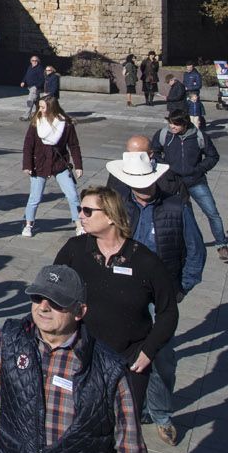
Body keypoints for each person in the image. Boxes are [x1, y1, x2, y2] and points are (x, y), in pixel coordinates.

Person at [0, 264, 148, 453]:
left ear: (79, 311)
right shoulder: (9, 339)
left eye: (56, 301)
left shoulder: (108, 367)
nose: (43, 307)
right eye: (37, 297)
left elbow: (130, 444)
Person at [106, 142, 202, 446]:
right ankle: (126, 408)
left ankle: (160, 413)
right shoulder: (121, 207)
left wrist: (182, 288)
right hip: (125, 293)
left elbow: (196, 252)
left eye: (146, 183)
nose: (142, 189)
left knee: (163, 359)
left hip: (162, 298)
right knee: (120, 355)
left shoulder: (177, 207)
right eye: (136, 184)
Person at [54, 185, 178, 415]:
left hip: (128, 362)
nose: (81, 215)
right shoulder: (75, 250)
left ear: (111, 216)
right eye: (80, 209)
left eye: (88, 211)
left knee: (122, 430)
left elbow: (168, 312)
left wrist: (148, 351)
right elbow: (52, 291)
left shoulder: (145, 261)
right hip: (81, 358)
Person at [152, 107, 228, 260]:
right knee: (174, 214)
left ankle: (222, 246)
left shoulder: (199, 136)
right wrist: (165, 167)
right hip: (173, 183)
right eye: (170, 123)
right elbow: (154, 151)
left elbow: (213, 156)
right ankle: (173, 244)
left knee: (212, 213)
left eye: (176, 124)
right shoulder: (164, 134)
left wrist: (199, 169)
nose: (172, 127)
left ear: (185, 124)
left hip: (195, 181)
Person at [22, 95, 83, 237]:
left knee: (73, 195)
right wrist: (27, 165)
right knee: (35, 198)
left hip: (59, 163)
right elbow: (28, 145)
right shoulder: (36, 122)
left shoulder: (65, 124)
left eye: (43, 107)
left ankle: (79, 224)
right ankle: (28, 224)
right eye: (40, 107)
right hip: (39, 164)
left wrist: (78, 165)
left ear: (51, 108)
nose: (40, 110)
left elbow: (74, 145)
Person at [20, 54, 46, 121]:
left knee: (30, 101)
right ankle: (42, 113)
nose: (34, 62)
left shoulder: (40, 68)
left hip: (34, 88)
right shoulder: (30, 67)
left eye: (36, 60)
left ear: (38, 61)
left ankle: (26, 116)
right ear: (30, 61)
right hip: (30, 87)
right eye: (33, 60)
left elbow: (42, 79)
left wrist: (36, 87)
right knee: (37, 103)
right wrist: (23, 81)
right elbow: (26, 75)